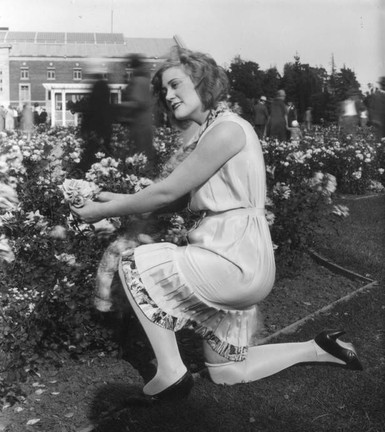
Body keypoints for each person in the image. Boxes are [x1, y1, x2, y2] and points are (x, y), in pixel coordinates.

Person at [71, 47, 362, 401]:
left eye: (176, 84)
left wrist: (102, 212)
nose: (169, 95)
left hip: (234, 259)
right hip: (239, 257)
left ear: (202, 83)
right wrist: (114, 200)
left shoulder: (226, 130)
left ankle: (171, 373)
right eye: (164, 90)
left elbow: (169, 192)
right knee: (227, 372)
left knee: (134, 260)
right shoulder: (215, 130)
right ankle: (319, 347)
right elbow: (177, 197)